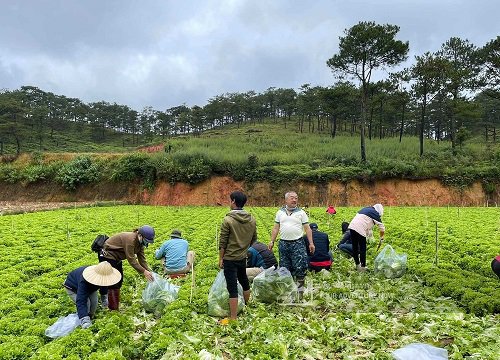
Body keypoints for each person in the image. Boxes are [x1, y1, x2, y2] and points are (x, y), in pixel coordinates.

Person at [219, 191, 257, 321]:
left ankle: (233, 318)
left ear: (233, 201)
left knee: (232, 287)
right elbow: (254, 239)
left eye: (230, 200)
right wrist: (244, 249)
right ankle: (246, 305)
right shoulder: (251, 219)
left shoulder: (228, 220)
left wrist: (221, 258)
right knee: (244, 281)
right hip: (242, 257)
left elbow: (222, 242)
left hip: (230, 258)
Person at [98, 225, 155, 310]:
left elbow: (141, 258)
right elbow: (131, 259)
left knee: (119, 279)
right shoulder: (130, 240)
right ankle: (110, 305)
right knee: (112, 281)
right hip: (107, 255)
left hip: (117, 257)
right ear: (140, 235)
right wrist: (144, 272)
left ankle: (113, 302)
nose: (146, 243)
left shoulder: (140, 243)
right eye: (146, 241)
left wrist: (148, 270)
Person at [268, 191, 314, 294]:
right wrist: (272, 241)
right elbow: (276, 228)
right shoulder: (280, 212)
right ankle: (287, 292)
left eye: (296, 198)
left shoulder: (301, 213)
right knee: (284, 268)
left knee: (300, 268)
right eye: (292, 198)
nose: (294, 200)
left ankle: (300, 292)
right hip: (283, 244)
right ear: (286, 200)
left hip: (297, 243)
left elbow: (307, 229)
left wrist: (311, 243)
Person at [63, 261, 121, 329]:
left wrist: (104, 298)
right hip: (73, 287)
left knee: (94, 304)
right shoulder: (84, 280)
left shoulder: (102, 278)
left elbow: (104, 286)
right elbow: (81, 300)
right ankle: (84, 321)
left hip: (91, 287)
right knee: (87, 303)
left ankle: (90, 317)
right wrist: (85, 320)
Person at [348, 204, 385, 272]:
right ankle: (363, 267)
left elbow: (366, 222)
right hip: (360, 228)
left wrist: (369, 234)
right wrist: (381, 238)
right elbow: (382, 228)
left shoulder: (366, 209)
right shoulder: (375, 213)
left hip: (352, 227)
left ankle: (357, 265)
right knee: (363, 248)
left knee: (355, 247)